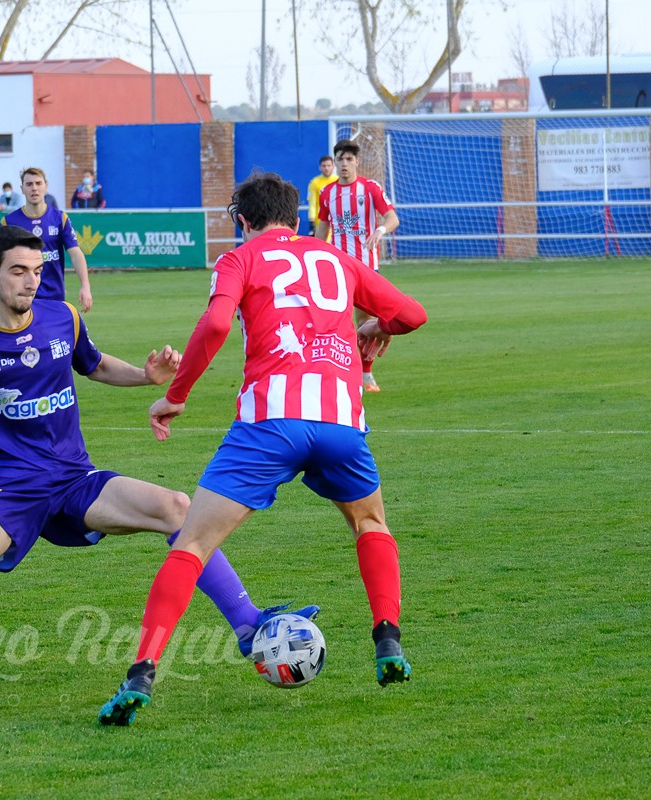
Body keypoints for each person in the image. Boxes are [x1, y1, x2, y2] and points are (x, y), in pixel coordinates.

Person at [0, 225, 316, 694]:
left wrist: (148, 378)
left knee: (176, 506)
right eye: (18, 270)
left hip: (72, 476)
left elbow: (96, 364)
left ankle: (249, 625)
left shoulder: (63, 316)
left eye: (36, 270)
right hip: (8, 486)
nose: (30, 280)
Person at [98, 171, 427, 727]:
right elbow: (412, 314)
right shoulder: (334, 258)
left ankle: (141, 674)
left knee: (193, 543)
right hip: (340, 424)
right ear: (297, 218)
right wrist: (373, 324)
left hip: (268, 425)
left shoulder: (240, 259)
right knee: (371, 526)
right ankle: (388, 640)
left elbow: (216, 324)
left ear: (242, 222)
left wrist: (174, 397)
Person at [313, 139, 400, 392]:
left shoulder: (370, 189)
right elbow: (323, 228)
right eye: (340, 158)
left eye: (349, 159)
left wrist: (381, 230)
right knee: (331, 321)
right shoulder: (327, 193)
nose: (344, 164)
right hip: (337, 268)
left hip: (366, 268)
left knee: (366, 323)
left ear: (357, 162)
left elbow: (393, 218)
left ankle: (365, 373)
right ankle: (333, 373)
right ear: (335, 161)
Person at [0, 166, 93, 312]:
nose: (34, 188)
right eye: (29, 184)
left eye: (38, 183)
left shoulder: (59, 218)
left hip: (54, 296)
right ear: (22, 189)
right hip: (22, 296)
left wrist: (85, 286)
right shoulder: (9, 222)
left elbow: (75, 253)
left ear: (46, 186)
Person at [306, 155, 336, 238]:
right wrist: (311, 221)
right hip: (320, 221)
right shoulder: (314, 182)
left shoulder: (338, 180)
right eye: (324, 166)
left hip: (336, 221)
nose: (326, 168)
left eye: (329, 166)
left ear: (333, 167)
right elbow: (312, 203)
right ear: (320, 167)